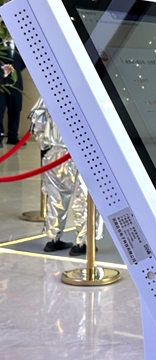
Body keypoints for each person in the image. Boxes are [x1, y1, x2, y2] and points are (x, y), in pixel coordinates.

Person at [29, 98, 104, 255]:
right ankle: (84, 242)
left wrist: (45, 144)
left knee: (56, 197)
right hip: (82, 152)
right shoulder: (86, 92)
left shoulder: (50, 92)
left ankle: (53, 238)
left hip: (54, 153)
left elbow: (36, 119)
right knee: (84, 199)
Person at [0, 31, 27, 147]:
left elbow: (23, 63)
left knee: (16, 109)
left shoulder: (20, 46)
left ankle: (13, 137)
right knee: (0, 109)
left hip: (16, 83)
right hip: (1, 82)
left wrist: (15, 71)